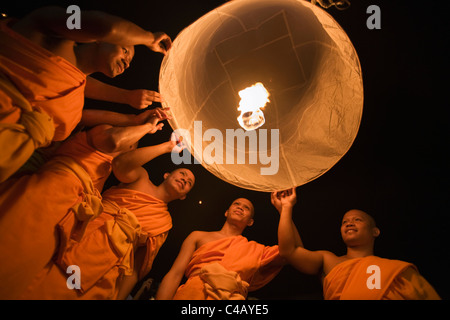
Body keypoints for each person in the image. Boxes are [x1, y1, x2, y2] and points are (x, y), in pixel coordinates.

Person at [0, 109, 173, 299]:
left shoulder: (163, 220)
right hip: (56, 189)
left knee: (27, 268)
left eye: (134, 145)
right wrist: (148, 128)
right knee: (13, 245)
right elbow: (116, 143)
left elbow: (137, 268)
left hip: (73, 220)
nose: (132, 146)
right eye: (132, 143)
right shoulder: (102, 135)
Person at [0, 6, 171, 182]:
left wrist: (133, 116)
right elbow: (105, 27)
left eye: (129, 62)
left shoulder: (74, 99)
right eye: (126, 50)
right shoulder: (49, 32)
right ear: (99, 40)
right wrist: (148, 38)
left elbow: (78, 100)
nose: (127, 63)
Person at [16, 136, 195, 299]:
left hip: (104, 265)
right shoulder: (141, 178)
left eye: (189, 183)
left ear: (183, 196)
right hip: (81, 232)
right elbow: (120, 164)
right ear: (167, 174)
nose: (185, 180)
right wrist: (166, 147)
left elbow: (134, 268)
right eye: (183, 173)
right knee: (28, 275)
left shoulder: (164, 223)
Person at [275, 188, 441, 300]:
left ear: (375, 231)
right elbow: (290, 250)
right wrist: (286, 208)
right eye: (344, 221)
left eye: (357, 220)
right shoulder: (329, 260)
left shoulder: (395, 272)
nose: (349, 223)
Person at [155, 197, 287, 300]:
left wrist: (285, 210)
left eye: (246, 208)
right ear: (226, 212)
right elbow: (175, 273)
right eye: (236, 204)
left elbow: (291, 250)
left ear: (250, 222)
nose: (240, 207)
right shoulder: (198, 236)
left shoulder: (255, 249)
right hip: (192, 293)